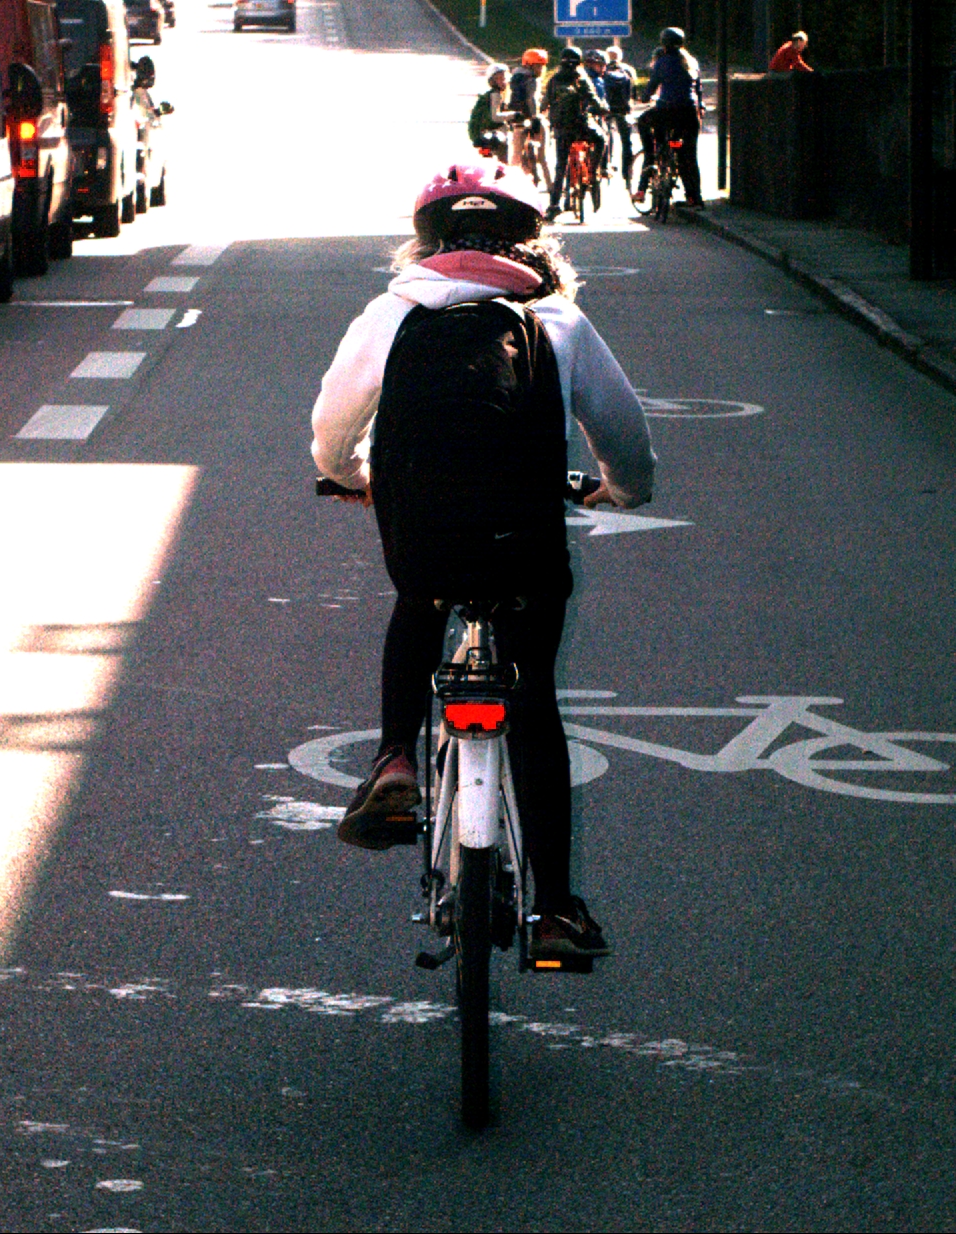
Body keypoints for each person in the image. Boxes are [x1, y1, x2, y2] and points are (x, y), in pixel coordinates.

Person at [309, 160, 656, 957]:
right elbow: (626, 439)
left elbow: (332, 429)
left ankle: (396, 758)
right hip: (523, 547)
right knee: (532, 703)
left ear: (425, 242)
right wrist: (621, 492)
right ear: (531, 241)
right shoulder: (557, 320)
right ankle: (556, 910)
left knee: (418, 600)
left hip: (425, 537)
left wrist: (351, 476)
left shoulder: (393, 313)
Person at [634, 27, 705, 208]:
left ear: (663, 43)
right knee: (688, 155)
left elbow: (652, 85)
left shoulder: (662, 62)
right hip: (689, 112)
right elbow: (698, 88)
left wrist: (644, 97)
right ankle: (694, 197)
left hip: (667, 111)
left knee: (643, 122)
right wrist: (701, 106)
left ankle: (651, 152)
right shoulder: (691, 62)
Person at [542, 46, 607, 219]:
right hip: (582, 126)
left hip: (562, 129)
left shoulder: (554, 80)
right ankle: (593, 173)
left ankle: (554, 205)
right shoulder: (581, 78)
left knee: (560, 166)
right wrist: (603, 109)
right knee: (601, 139)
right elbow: (594, 99)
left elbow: (545, 103)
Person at [508, 49, 551, 187]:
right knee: (542, 156)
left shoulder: (514, 77)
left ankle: (510, 185)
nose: (541, 70)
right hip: (532, 118)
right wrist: (535, 117)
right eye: (538, 66)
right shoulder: (532, 80)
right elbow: (531, 100)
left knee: (516, 156)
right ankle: (551, 186)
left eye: (542, 66)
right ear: (529, 65)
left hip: (518, 120)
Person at [602, 46, 637, 187]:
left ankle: (606, 165)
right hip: (624, 109)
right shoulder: (628, 70)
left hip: (607, 108)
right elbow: (633, 91)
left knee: (607, 135)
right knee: (626, 141)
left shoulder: (603, 69)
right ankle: (627, 172)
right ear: (620, 57)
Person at [467, 63, 516, 160]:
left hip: (478, 133)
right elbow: (495, 117)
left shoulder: (491, 94)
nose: (502, 82)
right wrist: (514, 115)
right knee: (504, 153)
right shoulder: (495, 95)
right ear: (492, 81)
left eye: (504, 78)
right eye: (498, 79)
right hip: (484, 134)